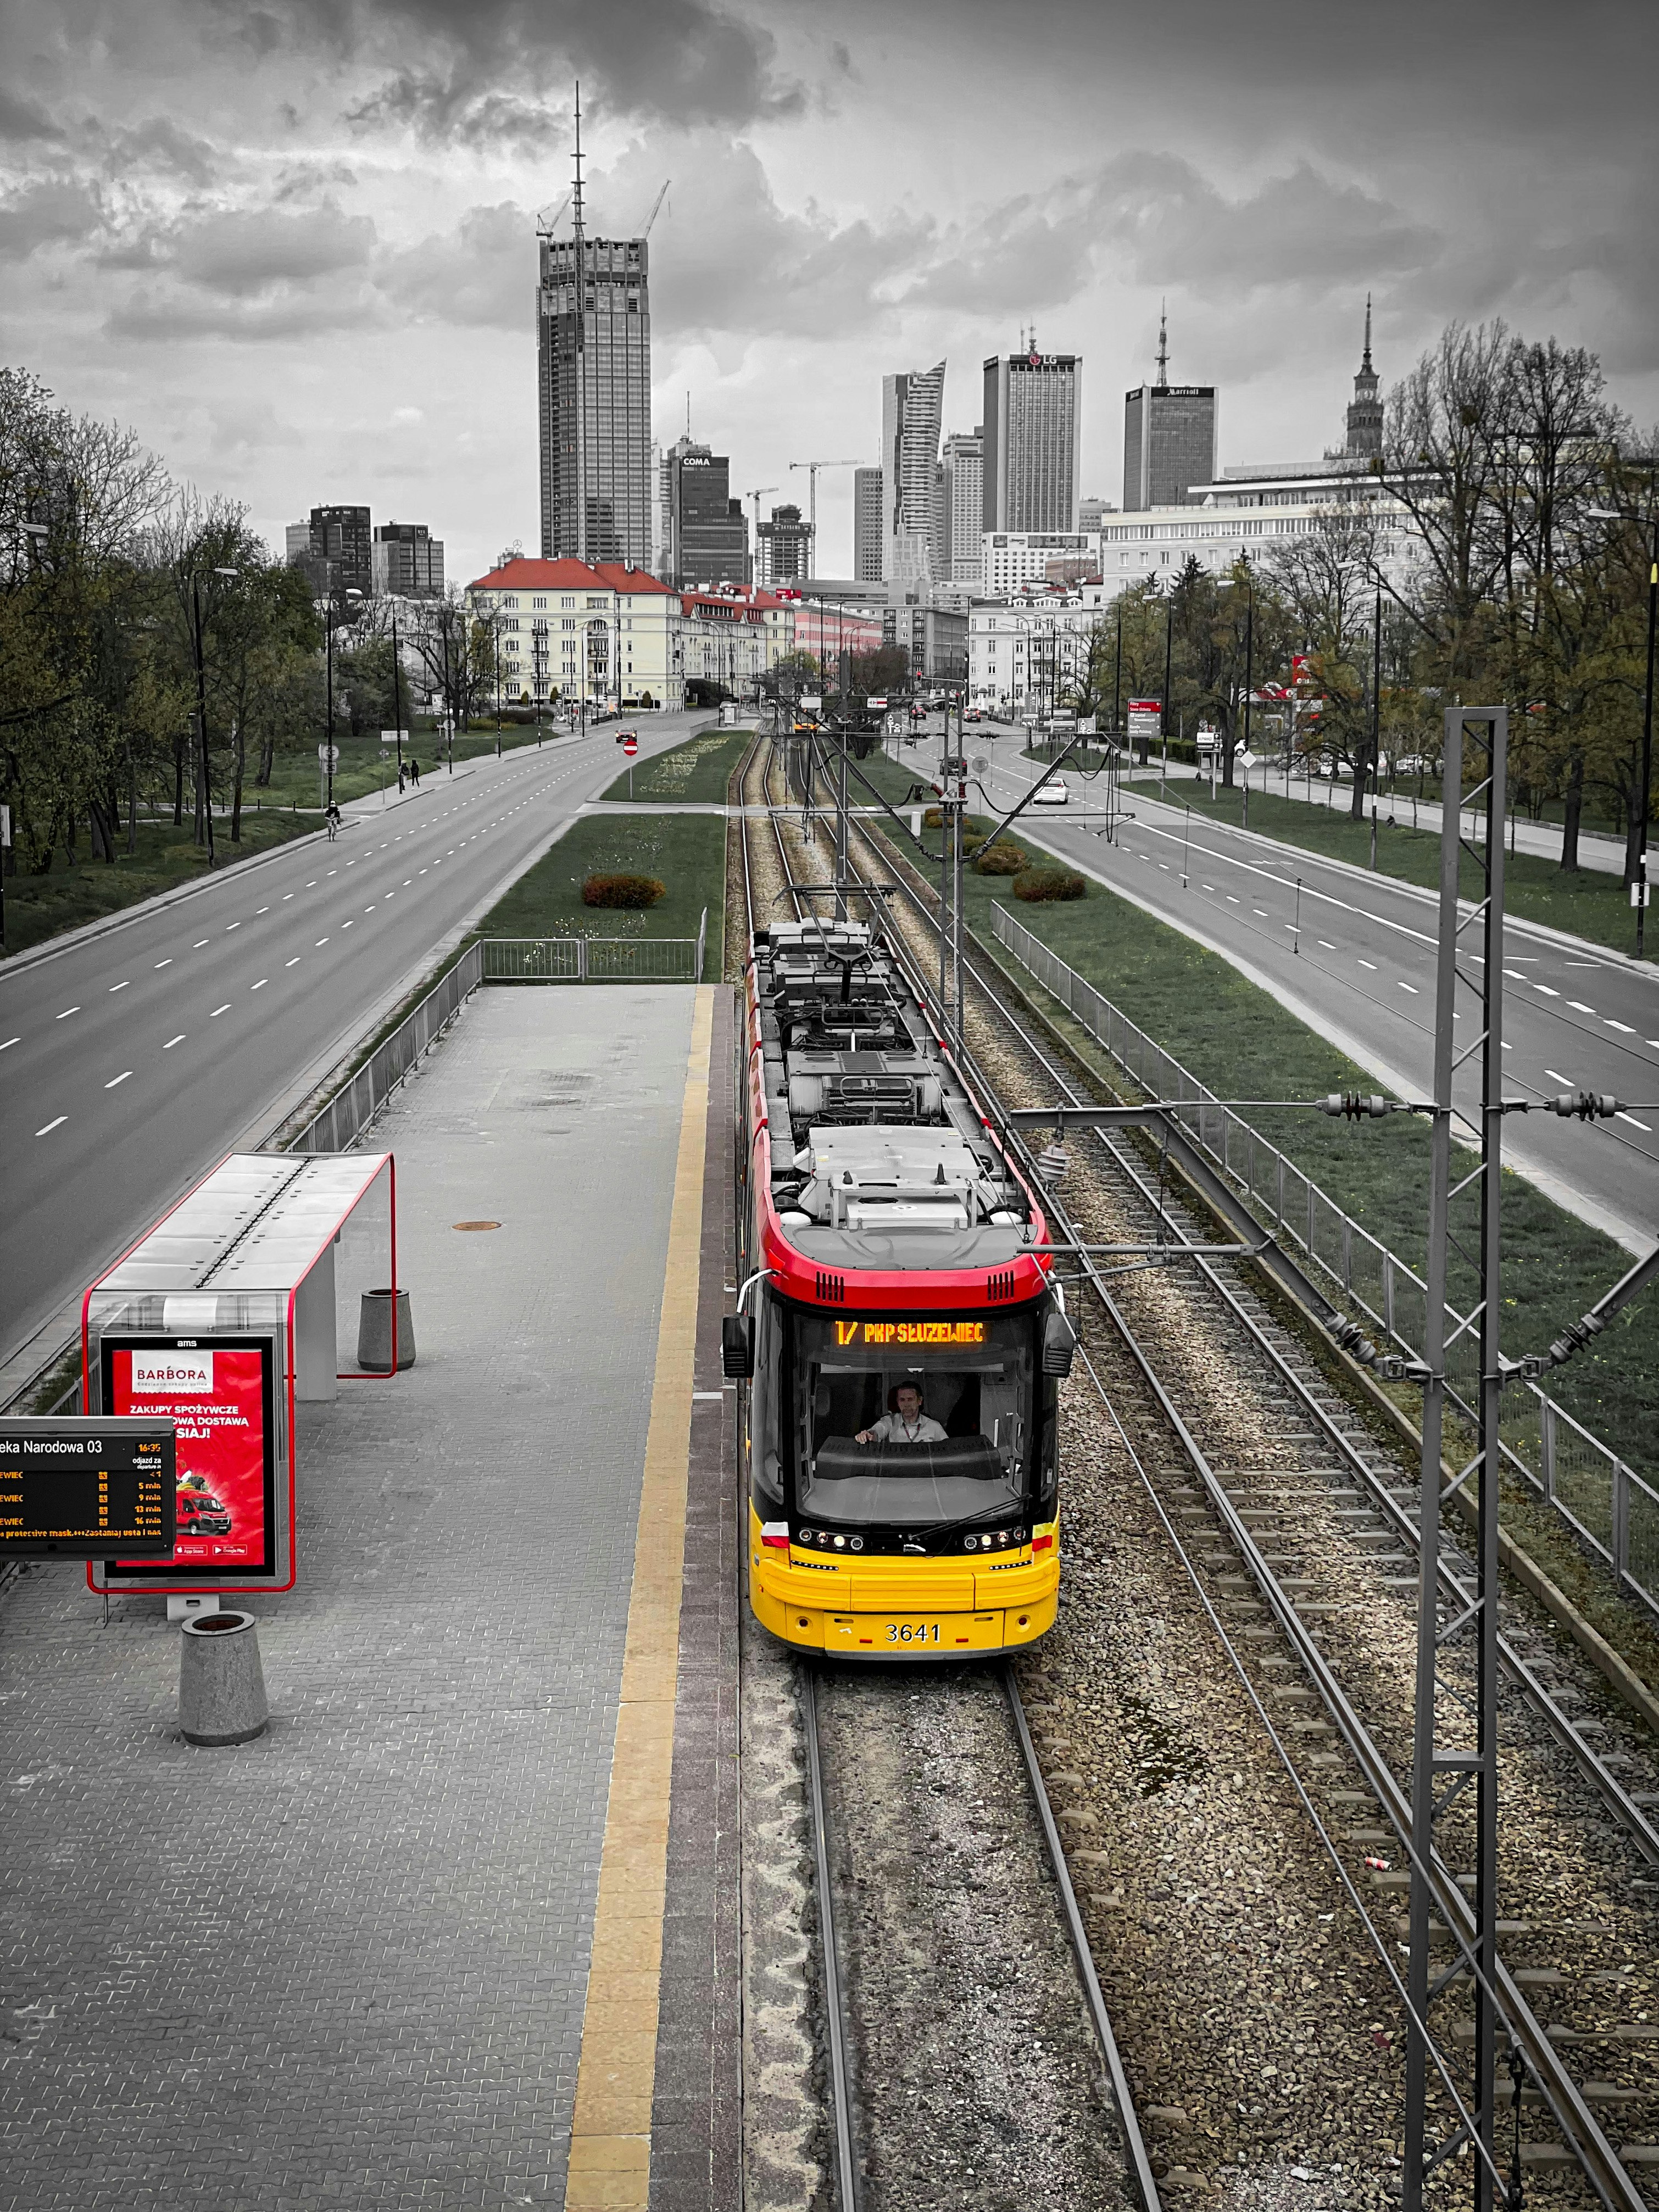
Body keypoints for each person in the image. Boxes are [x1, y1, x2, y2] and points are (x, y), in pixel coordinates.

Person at [857, 1383, 947, 1447]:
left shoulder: (934, 1426)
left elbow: (947, 1451)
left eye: (910, 1399)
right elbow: (877, 1431)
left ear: (920, 1401)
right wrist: (868, 1435)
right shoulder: (890, 1422)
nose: (906, 1404)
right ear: (898, 1403)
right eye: (902, 1400)